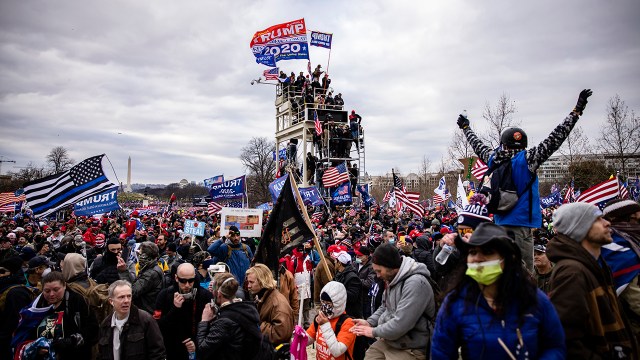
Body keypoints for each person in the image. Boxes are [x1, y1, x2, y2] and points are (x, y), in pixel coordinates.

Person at [457, 89, 593, 272]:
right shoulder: (527, 160)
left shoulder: (493, 158)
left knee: (503, 268)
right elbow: (556, 138)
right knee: (523, 274)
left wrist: (466, 127)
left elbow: (477, 143)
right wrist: (576, 112)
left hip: (500, 222)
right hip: (520, 225)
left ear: (502, 143)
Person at [431, 222, 565, 359]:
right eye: (472, 252)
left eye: (487, 252)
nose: (477, 258)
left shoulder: (534, 298)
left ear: (507, 258)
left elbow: (554, 345)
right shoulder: (456, 302)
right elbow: (441, 353)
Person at [548, 202, 637, 358]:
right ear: (580, 228)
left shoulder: (595, 266)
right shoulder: (572, 273)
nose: (607, 223)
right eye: (597, 219)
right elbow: (566, 338)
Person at [350, 243, 435, 360]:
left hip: (412, 347)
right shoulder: (392, 278)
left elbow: (401, 324)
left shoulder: (415, 283)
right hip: (392, 341)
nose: (378, 276)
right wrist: (369, 322)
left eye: (379, 271)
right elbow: (384, 307)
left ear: (391, 267)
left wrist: (373, 331)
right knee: (371, 355)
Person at [18, 271, 99, 359]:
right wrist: (36, 347)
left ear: (64, 286)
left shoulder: (77, 301)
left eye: (56, 290)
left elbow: (92, 329)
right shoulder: (36, 306)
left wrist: (71, 341)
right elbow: (26, 333)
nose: (51, 294)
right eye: (47, 291)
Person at [197, 273, 262, 360]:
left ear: (219, 294)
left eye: (213, 290)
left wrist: (204, 321)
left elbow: (202, 350)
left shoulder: (224, 321)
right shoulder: (245, 309)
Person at [154, 262, 213, 360]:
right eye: (183, 281)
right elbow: (158, 326)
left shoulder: (205, 296)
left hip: (197, 348)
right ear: (176, 278)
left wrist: (197, 343)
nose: (187, 285)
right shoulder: (164, 295)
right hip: (171, 349)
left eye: (191, 281)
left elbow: (212, 327)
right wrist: (175, 308)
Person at [601, 199, 640, 343]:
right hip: (630, 328)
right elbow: (635, 299)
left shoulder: (632, 241)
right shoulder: (615, 248)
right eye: (637, 219)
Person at [98, 280, 166, 360]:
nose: (126, 301)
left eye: (129, 296)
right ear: (111, 301)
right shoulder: (106, 325)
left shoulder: (145, 320)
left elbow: (158, 353)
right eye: (121, 297)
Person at [245, 263, 294, 346]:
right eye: (248, 282)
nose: (248, 286)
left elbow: (280, 334)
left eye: (251, 282)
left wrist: (257, 324)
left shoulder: (277, 303)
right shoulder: (264, 297)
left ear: (262, 281)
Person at [306, 281, 356, 360]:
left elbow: (337, 351)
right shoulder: (320, 318)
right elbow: (308, 338)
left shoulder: (348, 323)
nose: (325, 307)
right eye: (323, 302)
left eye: (328, 304)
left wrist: (325, 325)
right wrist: (300, 336)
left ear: (338, 304)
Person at [0, 256, 36, 359]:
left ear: (11, 273)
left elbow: (15, 323)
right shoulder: (6, 289)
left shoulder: (16, 293)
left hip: (9, 345)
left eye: (2, 271)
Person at [117, 241, 164, 314]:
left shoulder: (150, 273)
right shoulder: (151, 268)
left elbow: (133, 291)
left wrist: (123, 272)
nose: (138, 256)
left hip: (145, 311)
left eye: (140, 254)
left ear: (147, 256)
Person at [333, 251, 363, 319]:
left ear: (339, 263)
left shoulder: (353, 278)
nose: (334, 262)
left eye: (335, 261)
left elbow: (352, 297)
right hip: (341, 313)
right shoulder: (339, 274)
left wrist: (337, 290)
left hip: (350, 316)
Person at [355, 246, 376, 319]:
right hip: (356, 297)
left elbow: (369, 283)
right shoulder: (355, 264)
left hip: (366, 299)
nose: (357, 257)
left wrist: (355, 280)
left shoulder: (372, 267)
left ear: (366, 256)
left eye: (360, 255)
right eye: (356, 255)